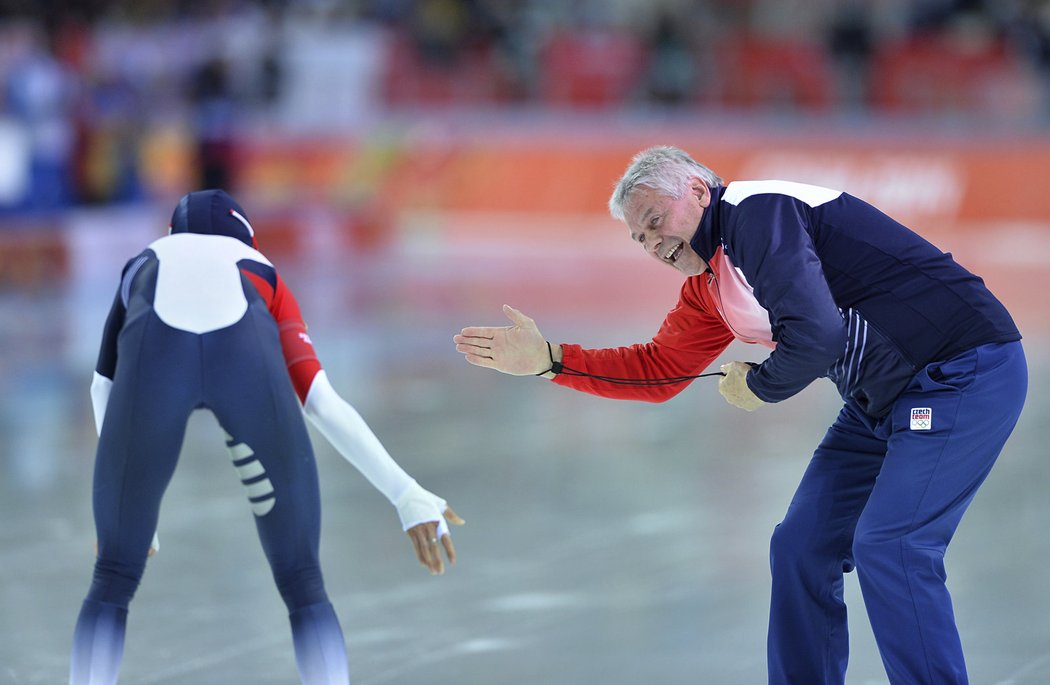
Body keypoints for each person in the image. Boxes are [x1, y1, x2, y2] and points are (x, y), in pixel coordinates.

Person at [453, 146, 1026, 685]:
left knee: (892, 545)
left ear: (699, 191)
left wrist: (760, 386)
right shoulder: (711, 286)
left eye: (655, 219)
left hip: (960, 373)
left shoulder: (757, 213)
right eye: (638, 237)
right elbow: (661, 370)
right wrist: (552, 362)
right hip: (881, 403)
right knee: (801, 546)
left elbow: (819, 334)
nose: (651, 243)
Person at [71, 189, 463, 685]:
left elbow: (102, 384)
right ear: (249, 240)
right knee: (303, 584)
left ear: (171, 234)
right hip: (247, 369)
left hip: (155, 368)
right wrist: (404, 492)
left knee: (112, 579)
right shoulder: (262, 269)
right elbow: (319, 400)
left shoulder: (146, 260)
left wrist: (127, 505)